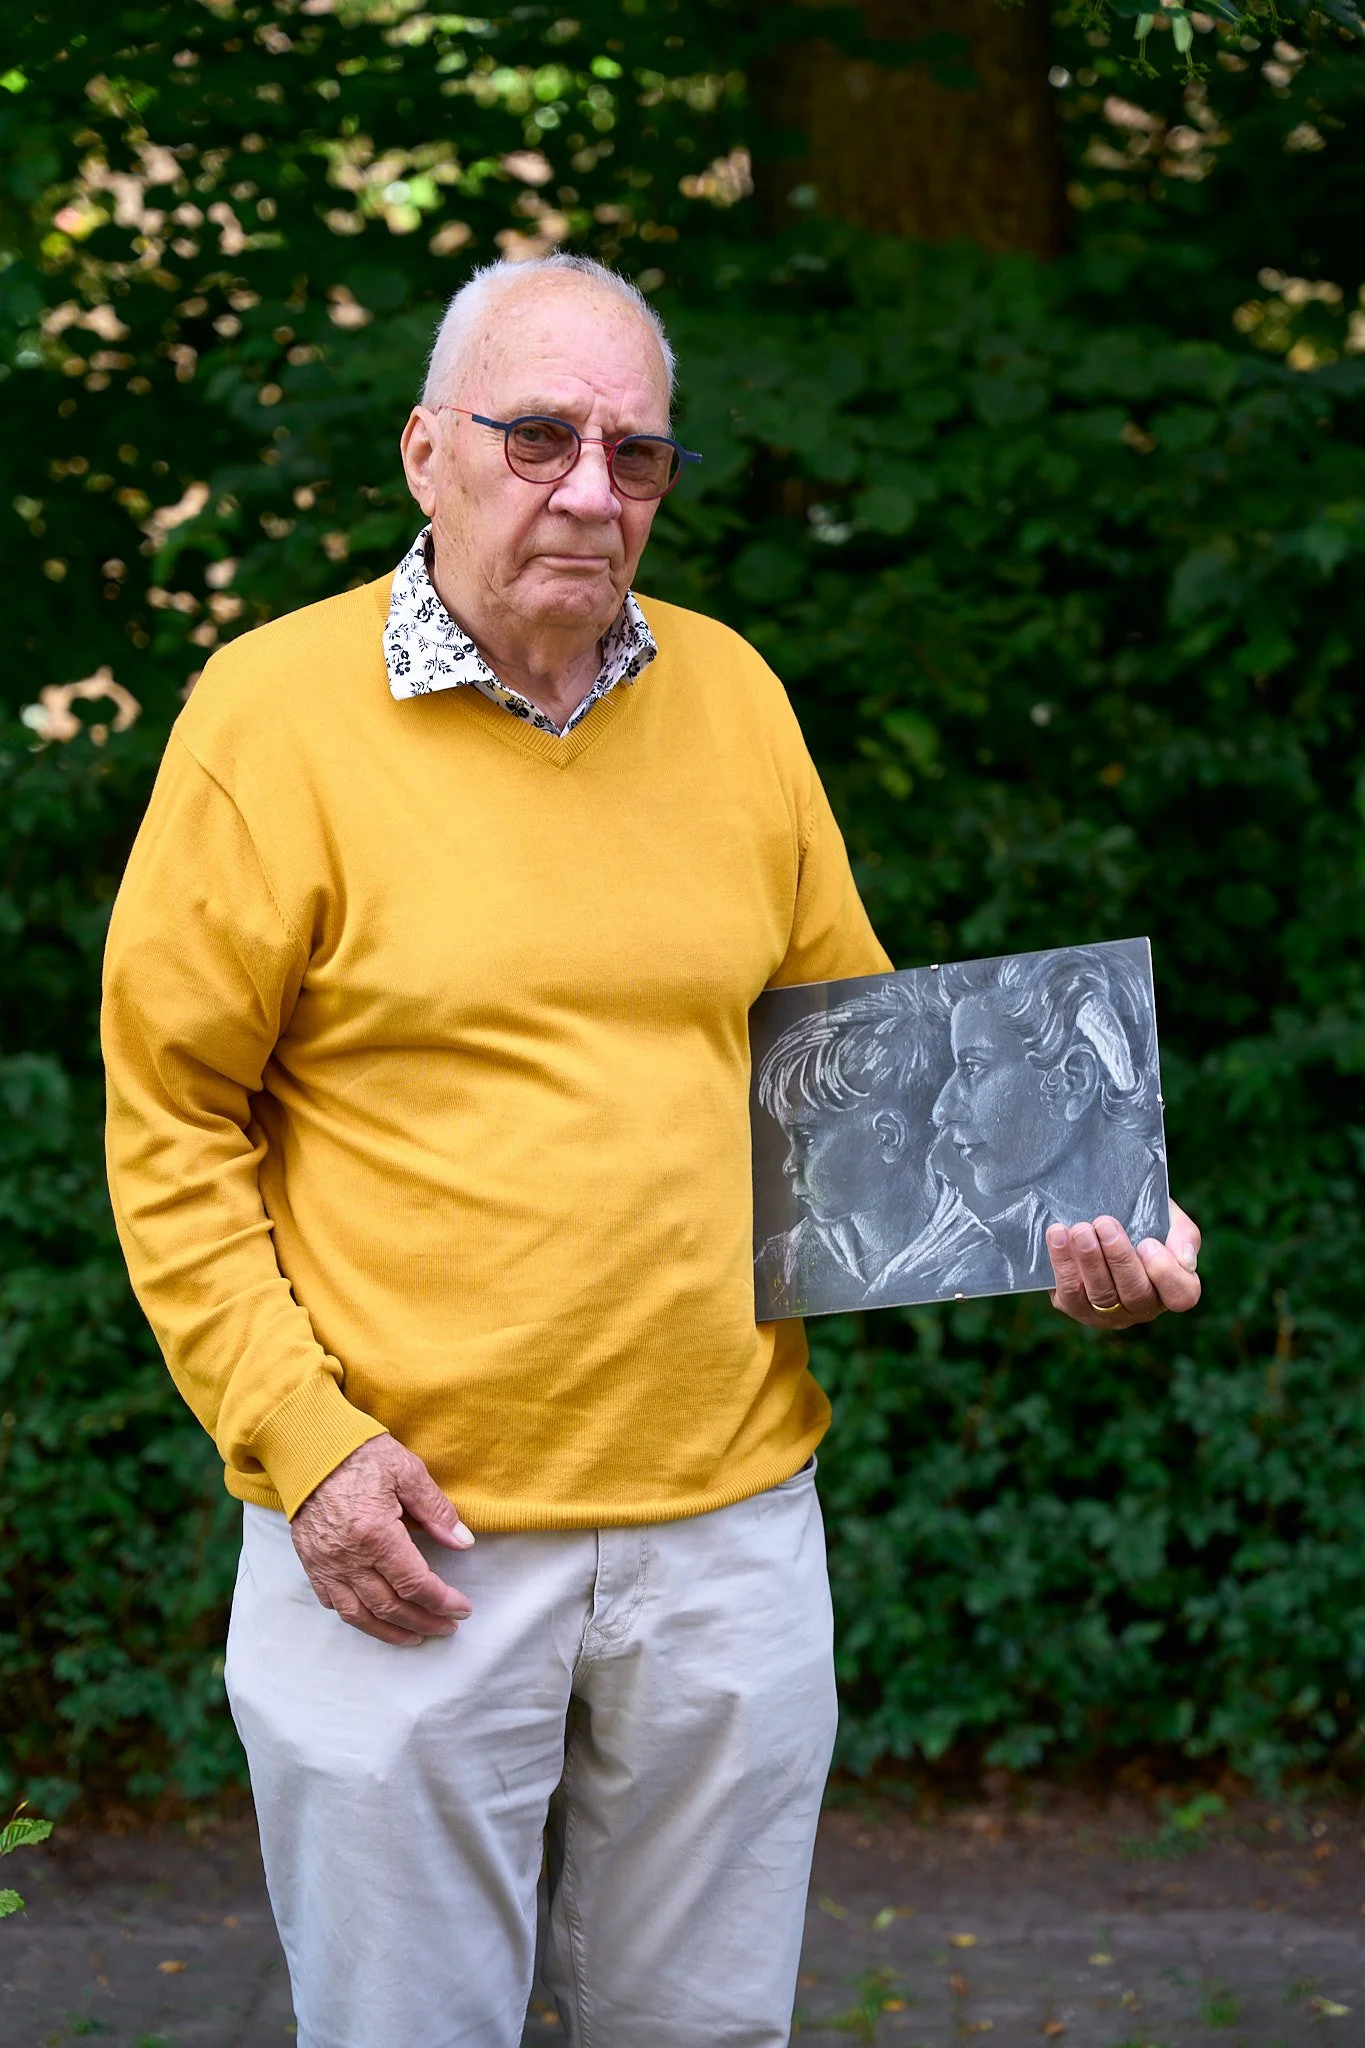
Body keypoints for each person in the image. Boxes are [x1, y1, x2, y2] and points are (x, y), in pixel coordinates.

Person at [100, 254, 1203, 2048]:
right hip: (407, 1540)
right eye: (539, 438)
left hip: (730, 1536)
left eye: (640, 454)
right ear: (424, 451)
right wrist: (303, 1445)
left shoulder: (738, 695)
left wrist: (1090, 1211)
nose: (594, 491)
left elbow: (865, 1074)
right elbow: (172, 1120)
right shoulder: (267, 716)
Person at [754, 979, 1008, 1313]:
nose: (789, 1163)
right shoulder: (785, 1261)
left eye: (806, 1138)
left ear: (887, 1137)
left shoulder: (977, 1269)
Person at [933, 945, 1167, 1287]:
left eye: (973, 1067)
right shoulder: (988, 1257)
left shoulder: (1172, 1222)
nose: (941, 1109)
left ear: (1076, 1080)